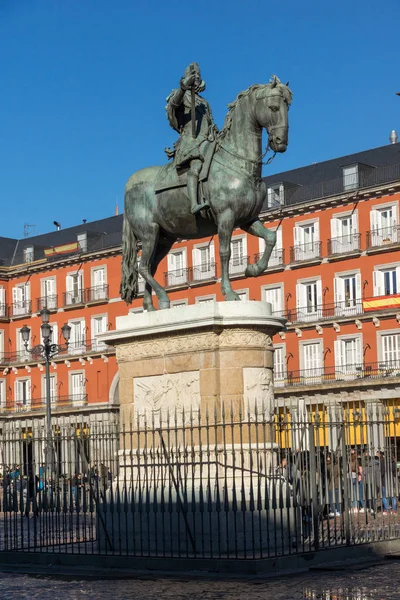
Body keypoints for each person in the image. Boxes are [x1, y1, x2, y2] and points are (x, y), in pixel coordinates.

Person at [165, 62, 218, 214]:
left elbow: (211, 123)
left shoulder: (204, 103)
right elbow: (173, 106)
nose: (196, 79)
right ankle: (194, 204)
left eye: (198, 76)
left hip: (208, 141)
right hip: (191, 142)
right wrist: (183, 87)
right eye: (193, 76)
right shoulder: (181, 95)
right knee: (196, 165)